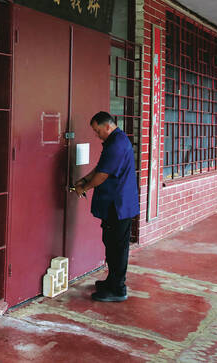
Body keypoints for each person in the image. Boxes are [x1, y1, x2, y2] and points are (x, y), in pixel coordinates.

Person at [74, 111, 139, 302]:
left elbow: (102, 176)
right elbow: (101, 168)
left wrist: (83, 187)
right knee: (111, 244)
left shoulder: (117, 144)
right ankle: (112, 281)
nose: (97, 135)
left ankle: (118, 289)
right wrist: (84, 178)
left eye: (97, 131)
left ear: (108, 126)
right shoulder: (114, 141)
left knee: (117, 248)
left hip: (118, 206)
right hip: (115, 205)